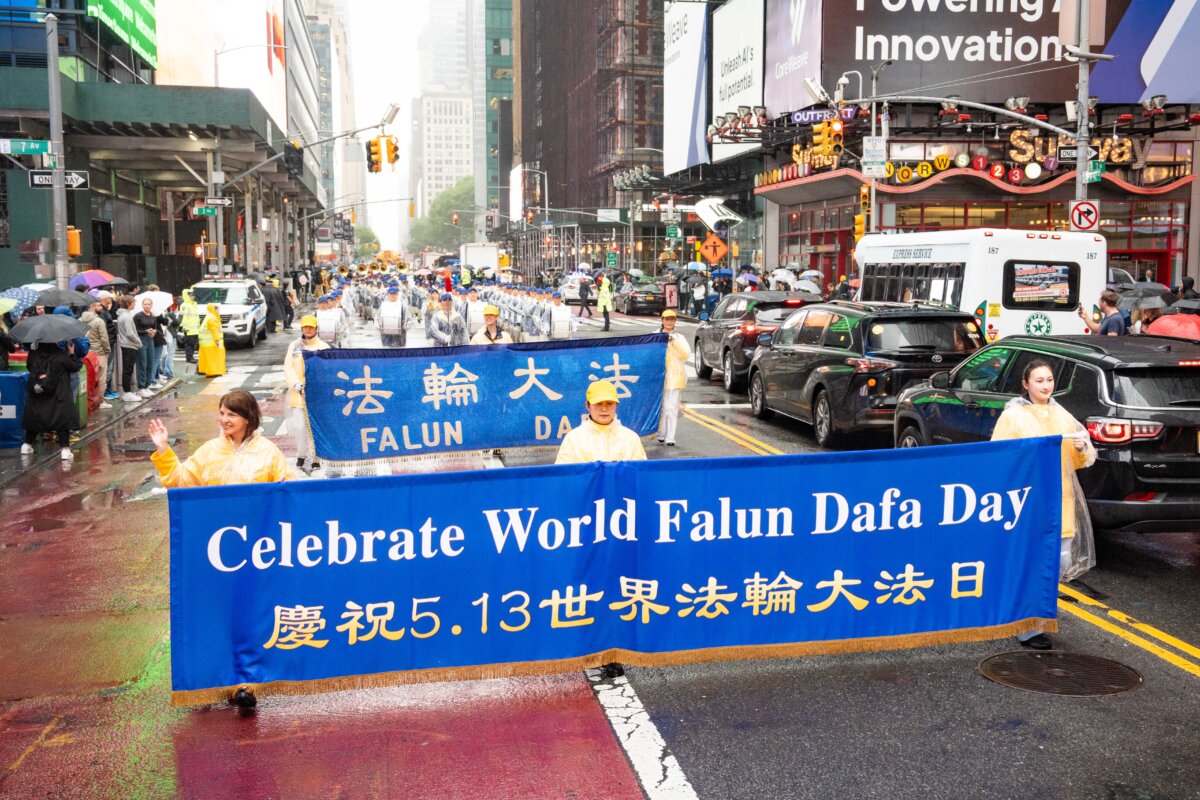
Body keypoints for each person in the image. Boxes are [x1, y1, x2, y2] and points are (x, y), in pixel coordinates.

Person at [991, 359, 1096, 650]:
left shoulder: (1061, 414)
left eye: (1049, 380)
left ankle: (1037, 617)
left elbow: (1078, 459)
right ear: (1025, 384)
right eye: (1039, 380)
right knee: (1033, 563)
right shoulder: (1013, 417)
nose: (1046, 385)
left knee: (1057, 563)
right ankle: (1029, 626)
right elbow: (1000, 458)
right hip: (1029, 504)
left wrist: (1080, 448)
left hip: (1061, 502)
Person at [148, 389, 290, 486]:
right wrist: (163, 447)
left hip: (256, 521)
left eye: (232, 415)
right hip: (217, 521)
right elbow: (180, 480)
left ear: (248, 418)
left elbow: (288, 486)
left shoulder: (268, 451)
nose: (224, 420)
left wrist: (284, 486)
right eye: (222, 413)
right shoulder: (209, 450)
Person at [555, 380, 647, 464]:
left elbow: (641, 473)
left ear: (616, 405)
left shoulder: (630, 439)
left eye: (609, 403)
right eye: (598, 403)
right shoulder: (573, 439)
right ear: (588, 406)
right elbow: (564, 474)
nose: (604, 409)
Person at [20, 340, 83, 461]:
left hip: (37, 395)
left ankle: (26, 445)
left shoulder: (33, 355)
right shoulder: (61, 356)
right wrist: (72, 354)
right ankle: (65, 450)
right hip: (58, 396)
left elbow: (29, 367)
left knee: (35, 420)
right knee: (62, 421)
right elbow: (75, 367)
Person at [284, 315, 330, 473]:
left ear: (316, 328)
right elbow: (288, 367)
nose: (308, 329)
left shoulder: (323, 347)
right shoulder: (294, 346)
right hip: (298, 394)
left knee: (316, 427)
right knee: (300, 426)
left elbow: (327, 370)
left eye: (311, 326)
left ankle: (316, 456)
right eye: (305, 327)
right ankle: (301, 454)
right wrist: (295, 383)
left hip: (317, 396)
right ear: (302, 328)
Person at [656, 310, 691, 447]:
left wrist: (674, 341)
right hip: (659, 377)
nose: (669, 322)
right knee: (662, 408)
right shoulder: (655, 335)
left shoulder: (679, 337)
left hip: (676, 377)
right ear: (662, 320)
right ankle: (661, 433)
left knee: (672, 408)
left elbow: (685, 355)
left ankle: (670, 437)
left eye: (672, 319)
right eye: (667, 319)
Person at [80, 301, 112, 411]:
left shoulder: (79, 320)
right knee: (101, 378)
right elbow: (104, 338)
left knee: (88, 378)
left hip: (85, 353)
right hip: (99, 352)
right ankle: (100, 401)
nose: (100, 307)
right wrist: (107, 350)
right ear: (92, 307)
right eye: (97, 305)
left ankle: (88, 401)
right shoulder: (99, 321)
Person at [115, 295, 142, 401]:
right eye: (133, 302)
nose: (135, 304)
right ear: (129, 304)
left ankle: (127, 391)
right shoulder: (126, 316)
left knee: (128, 368)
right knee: (128, 369)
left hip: (127, 344)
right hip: (129, 345)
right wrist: (138, 341)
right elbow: (130, 333)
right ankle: (127, 392)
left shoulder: (123, 315)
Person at [133, 296, 160, 392]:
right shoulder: (138, 316)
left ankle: (147, 385)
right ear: (142, 305)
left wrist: (154, 332)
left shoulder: (153, 316)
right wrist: (145, 332)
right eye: (145, 304)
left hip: (150, 339)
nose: (147, 306)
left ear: (152, 305)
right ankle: (141, 386)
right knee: (142, 363)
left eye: (149, 304)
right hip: (141, 340)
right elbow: (134, 330)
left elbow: (155, 327)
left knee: (150, 363)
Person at [197, 302, 226, 377]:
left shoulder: (208, 317)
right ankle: (213, 372)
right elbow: (214, 330)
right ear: (214, 309)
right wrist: (217, 341)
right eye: (217, 309)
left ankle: (210, 372)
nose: (218, 310)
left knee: (209, 359)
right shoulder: (212, 318)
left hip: (206, 343)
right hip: (211, 343)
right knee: (214, 358)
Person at [179, 289, 201, 365]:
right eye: (191, 295)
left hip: (194, 329)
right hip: (188, 329)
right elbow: (183, 317)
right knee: (189, 344)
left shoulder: (193, 304)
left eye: (193, 295)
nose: (193, 297)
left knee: (192, 344)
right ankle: (189, 358)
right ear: (187, 296)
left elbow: (195, 317)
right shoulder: (185, 305)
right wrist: (185, 328)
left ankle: (191, 357)